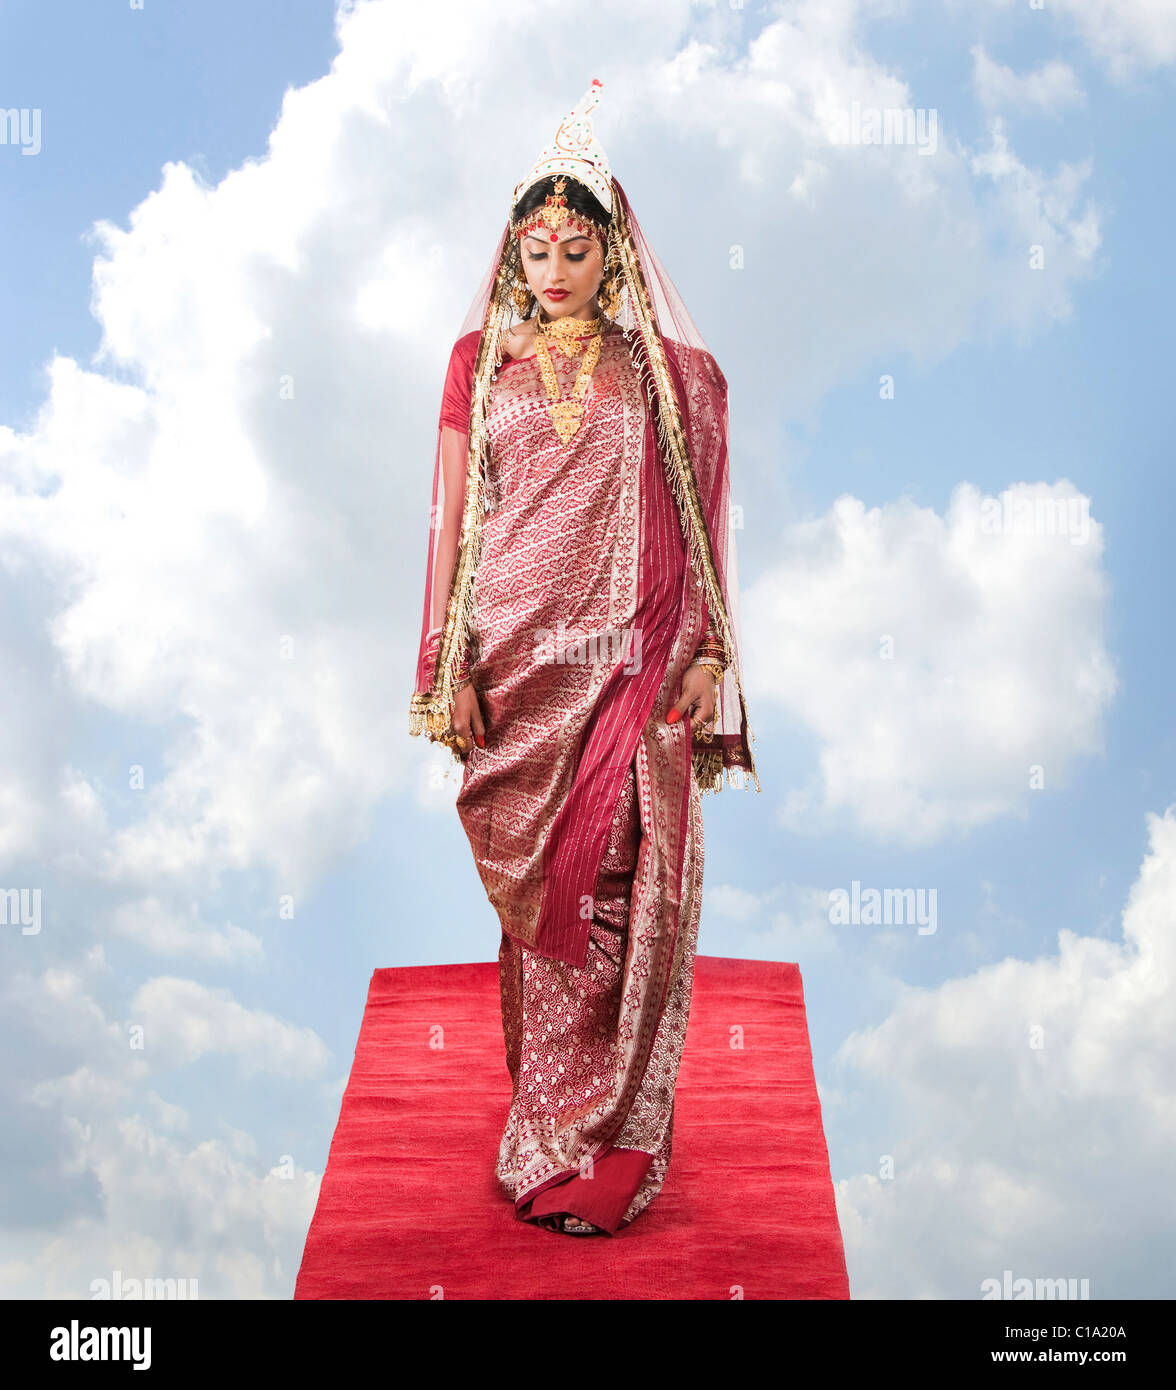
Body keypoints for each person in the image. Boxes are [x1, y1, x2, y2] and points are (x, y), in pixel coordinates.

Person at [410, 79, 759, 1235]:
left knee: (624, 883)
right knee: (544, 903)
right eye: (536, 247)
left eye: (578, 247)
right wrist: (443, 663)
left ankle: (607, 1140)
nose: (554, 267)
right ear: (514, 253)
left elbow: (703, 513)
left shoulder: (671, 376)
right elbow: (455, 519)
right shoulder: (480, 362)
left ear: (615, 255)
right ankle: (544, 1126)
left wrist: (711, 650)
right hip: (518, 662)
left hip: (636, 660)